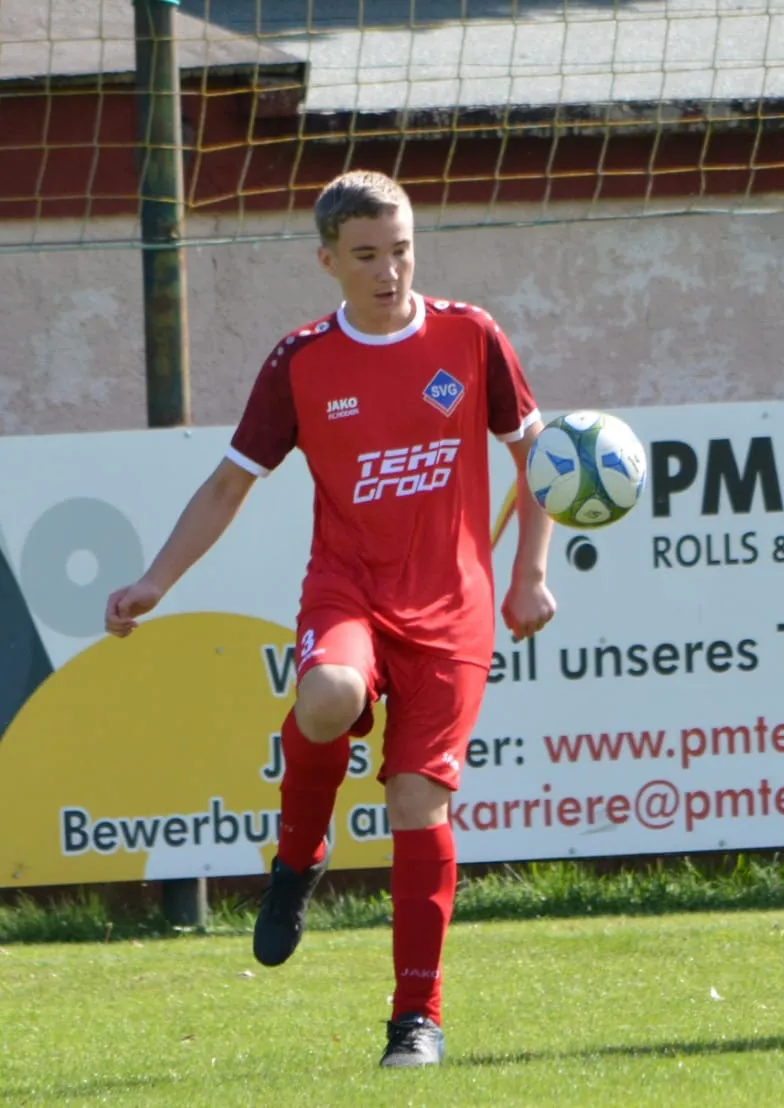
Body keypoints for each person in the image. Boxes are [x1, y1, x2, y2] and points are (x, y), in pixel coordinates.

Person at [104, 170, 556, 1066]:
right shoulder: (302, 360)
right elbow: (229, 482)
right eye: (367, 255)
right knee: (327, 699)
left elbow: (539, 455)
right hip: (347, 588)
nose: (389, 271)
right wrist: (156, 580)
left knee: (416, 802)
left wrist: (529, 576)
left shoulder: (471, 336)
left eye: (402, 251)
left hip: (453, 609)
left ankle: (415, 1018)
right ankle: (297, 857)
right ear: (328, 261)